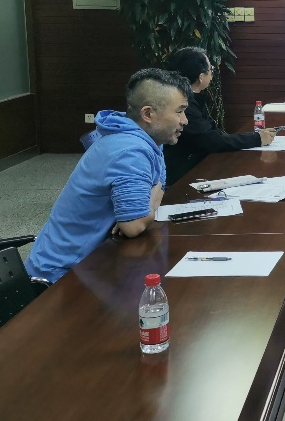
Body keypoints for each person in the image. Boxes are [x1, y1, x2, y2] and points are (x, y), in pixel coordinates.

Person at [25, 68, 190, 284]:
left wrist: (144, 207)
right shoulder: (130, 151)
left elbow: (157, 189)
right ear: (148, 114)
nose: (185, 120)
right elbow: (134, 226)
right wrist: (141, 211)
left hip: (96, 261)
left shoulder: (145, 138)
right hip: (62, 276)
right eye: (179, 112)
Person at [163, 46, 276, 185]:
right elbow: (211, 140)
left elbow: (214, 134)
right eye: (211, 69)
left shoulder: (192, 99)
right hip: (183, 177)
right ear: (201, 77)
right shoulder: (185, 105)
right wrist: (256, 139)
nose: (212, 73)